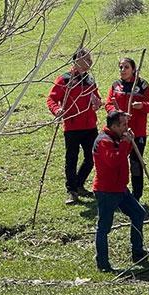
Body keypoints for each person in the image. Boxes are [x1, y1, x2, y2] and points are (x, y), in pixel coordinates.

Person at [46, 48, 103, 205]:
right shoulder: (64, 79)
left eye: (90, 59)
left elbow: (97, 98)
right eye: (87, 59)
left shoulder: (90, 79)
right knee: (71, 159)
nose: (90, 62)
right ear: (77, 61)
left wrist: (97, 103)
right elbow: (51, 99)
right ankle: (72, 191)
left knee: (92, 158)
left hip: (90, 126)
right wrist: (57, 110)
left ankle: (78, 184)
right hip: (72, 126)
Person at [92, 111, 146, 272]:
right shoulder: (104, 141)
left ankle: (137, 251)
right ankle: (103, 263)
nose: (126, 127)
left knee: (138, 213)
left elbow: (123, 155)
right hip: (107, 190)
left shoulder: (116, 138)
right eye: (123, 125)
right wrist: (125, 143)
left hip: (120, 188)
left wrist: (127, 143)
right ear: (114, 126)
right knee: (104, 227)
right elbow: (114, 161)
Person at [104, 57, 149, 200]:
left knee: (136, 164)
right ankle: (117, 192)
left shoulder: (142, 85)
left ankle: (136, 195)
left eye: (126, 67)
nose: (123, 70)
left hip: (137, 133)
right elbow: (108, 104)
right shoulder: (116, 85)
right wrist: (117, 114)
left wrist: (142, 106)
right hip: (118, 132)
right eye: (121, 67)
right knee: (117, 163)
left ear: (133, 69)